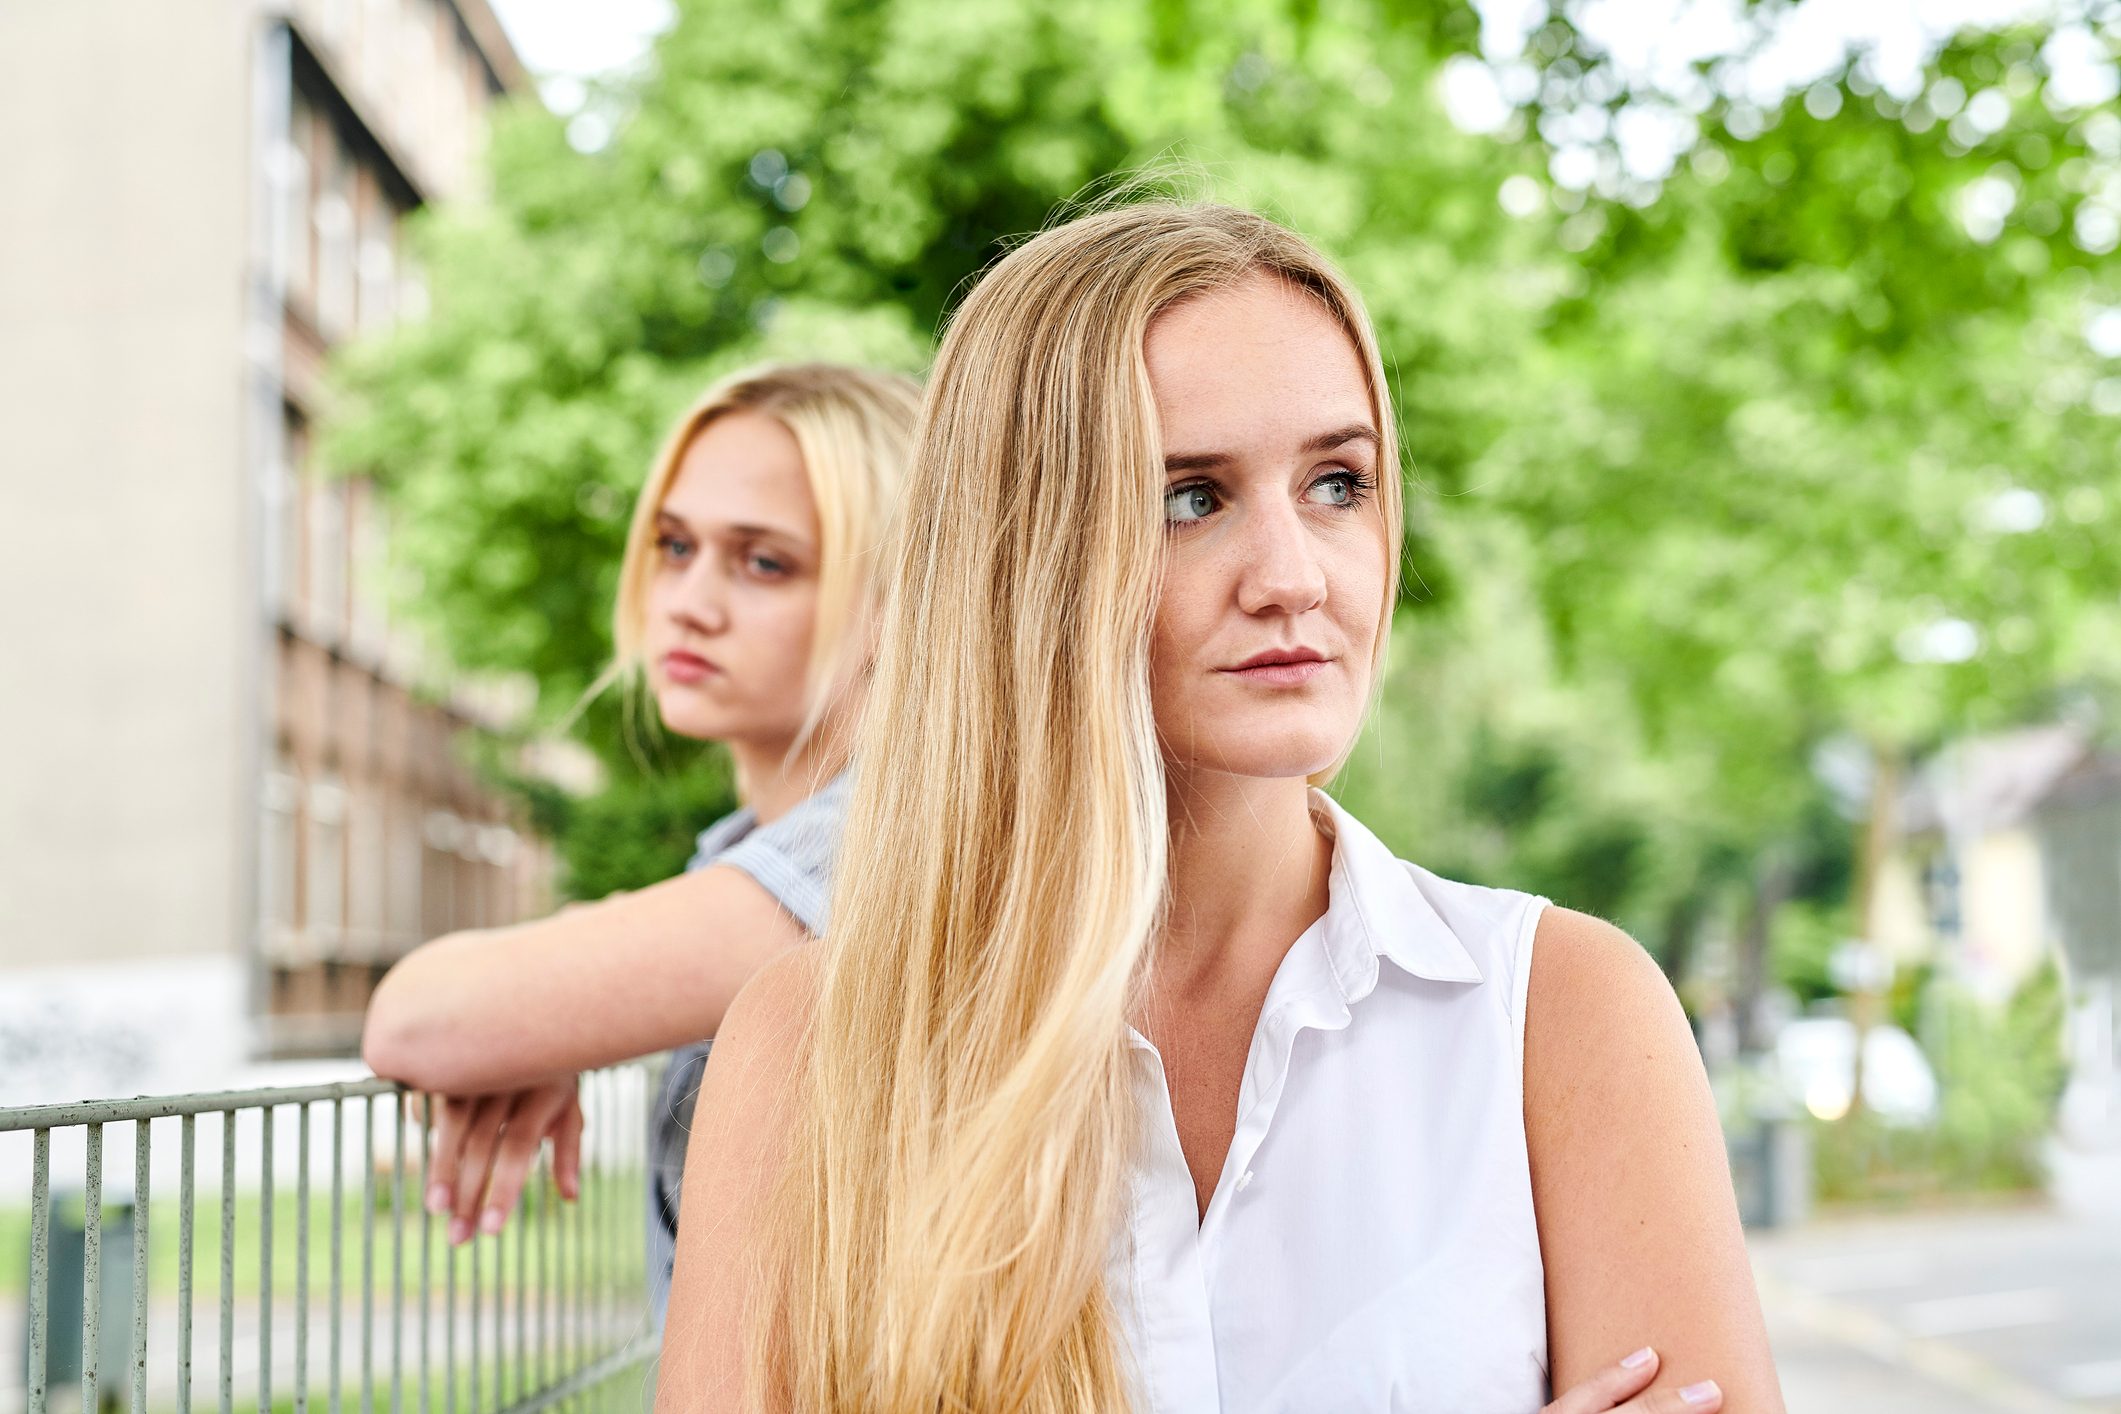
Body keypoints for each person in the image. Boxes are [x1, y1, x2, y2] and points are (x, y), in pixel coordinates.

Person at [657, 203, 1785, 1413]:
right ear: (1021, 556)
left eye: (1338, 482)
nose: (1295, 576)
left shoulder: (1561, 1014)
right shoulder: (813, 1050)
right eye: (1190, 498)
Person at [360, 361, 919, 1323]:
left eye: (764, 562)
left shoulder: (872, 842)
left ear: (897, 598)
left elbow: (418, 1022)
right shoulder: (756, 851)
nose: (688, 603)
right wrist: (570, 1006)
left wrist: (551, 1003)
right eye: (673, 545)